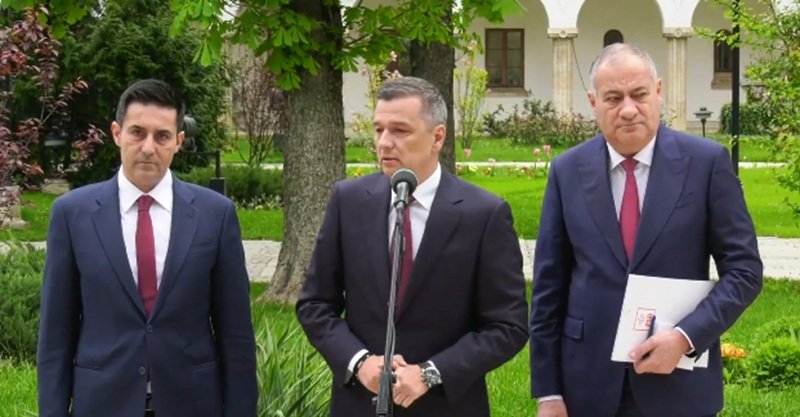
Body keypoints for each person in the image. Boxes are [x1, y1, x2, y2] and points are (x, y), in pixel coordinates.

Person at [529, 43, 763, 417]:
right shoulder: (566, 171)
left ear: (658, 91)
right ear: (593, 102)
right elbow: (548, 287)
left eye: (638, 94)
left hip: (678, 386)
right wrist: (548, 392)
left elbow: (745, 271)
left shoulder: (705, 164)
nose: (627, 109)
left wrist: (687, 337)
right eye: (613, 97)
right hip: (586, 386)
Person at [296, 76, 528, 417]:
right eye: (378, 130)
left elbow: (508, 326)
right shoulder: (349, 202)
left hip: (446, 407)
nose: (384, 143)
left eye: (400, 131)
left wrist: (431, 373)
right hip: (359, 404)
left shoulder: (484, 214)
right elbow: (315, 303)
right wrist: (359, 362)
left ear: (437, 137)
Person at [37, 79, 258, 417]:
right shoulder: (72, 215)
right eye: (137, 132)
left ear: (179, 142)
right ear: (117, 133)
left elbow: (236, 334)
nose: (148, 147)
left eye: (162, 136)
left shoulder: (216, 215)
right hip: (102, 404)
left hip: (193, 404)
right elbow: (56, 333)